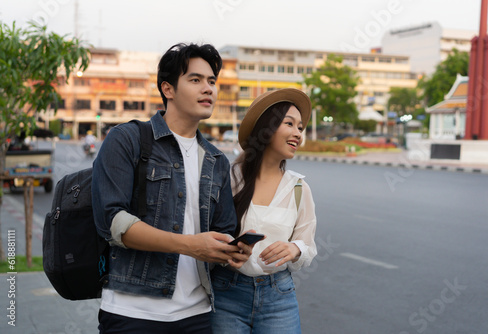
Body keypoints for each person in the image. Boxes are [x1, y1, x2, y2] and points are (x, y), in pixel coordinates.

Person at [92, 43, 252, 334]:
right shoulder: (127, 139)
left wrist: (231, 251)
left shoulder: (216, 160)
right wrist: (190, 245)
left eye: (212, 81)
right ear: (168, 89)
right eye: (195, 80)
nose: (208, 89)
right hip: (132, 313)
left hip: (197, 315)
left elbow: (223, 228)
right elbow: (111, 222)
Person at [210, 88, 318, 333]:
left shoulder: (299, 187)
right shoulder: (228, 179)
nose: (297, 133)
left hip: (278, 296)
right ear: (266, 128)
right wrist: (229, 249)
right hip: (226, 292)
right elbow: (205, 233)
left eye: (300, 127)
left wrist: (294, 248)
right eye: (289, 123)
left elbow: (308, 245)